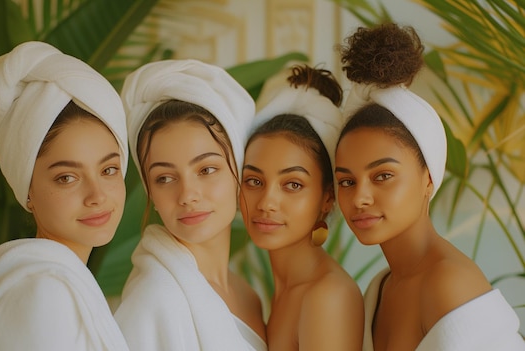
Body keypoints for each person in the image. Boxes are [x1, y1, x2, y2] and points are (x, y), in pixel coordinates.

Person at [335, 23, 525, 351]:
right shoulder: (380, 288)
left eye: (382, 176)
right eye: (347, 181)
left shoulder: (449, 283)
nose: (360, 197)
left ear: (428, 177)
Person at [0, 41, 130, 351]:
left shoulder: (56, 283)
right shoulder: (44, 293)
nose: (96, 195)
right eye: (67, 177)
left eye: (109, 170)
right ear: (27, 191)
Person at [114, 59, 267, 351]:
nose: (187, 194)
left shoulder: (247, 294)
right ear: (151, 195)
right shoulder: (153, 300)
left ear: (239, 173)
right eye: (165, 178)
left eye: (206, 170)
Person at [240, 64, 364, 350]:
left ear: (327, 198)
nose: (267, 202)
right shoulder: (274, 293)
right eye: (254, 181)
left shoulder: (327, 296)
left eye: (292, 184)